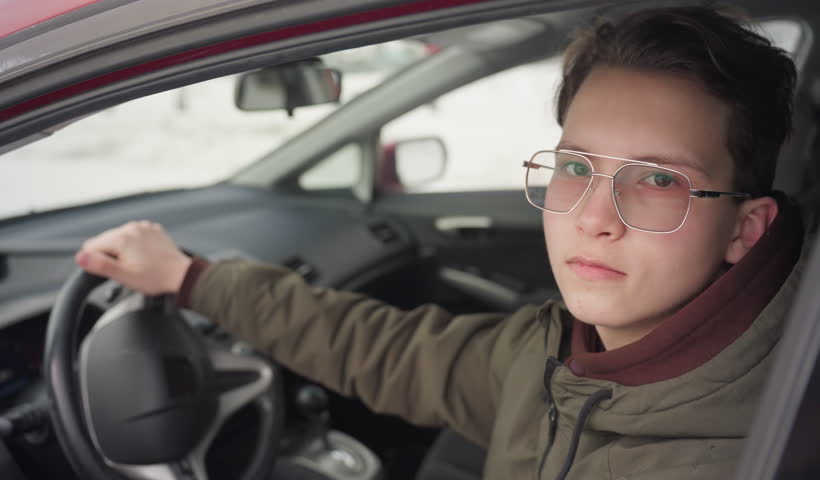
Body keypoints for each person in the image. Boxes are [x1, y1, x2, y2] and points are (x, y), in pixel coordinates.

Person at [74, 5, 808, 480]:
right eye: (577, 167)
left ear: (745, 229)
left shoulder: (771, 439)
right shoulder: (555, 349)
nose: (592, 216)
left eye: (657, 181)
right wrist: (194, 278)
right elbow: (388, 352)